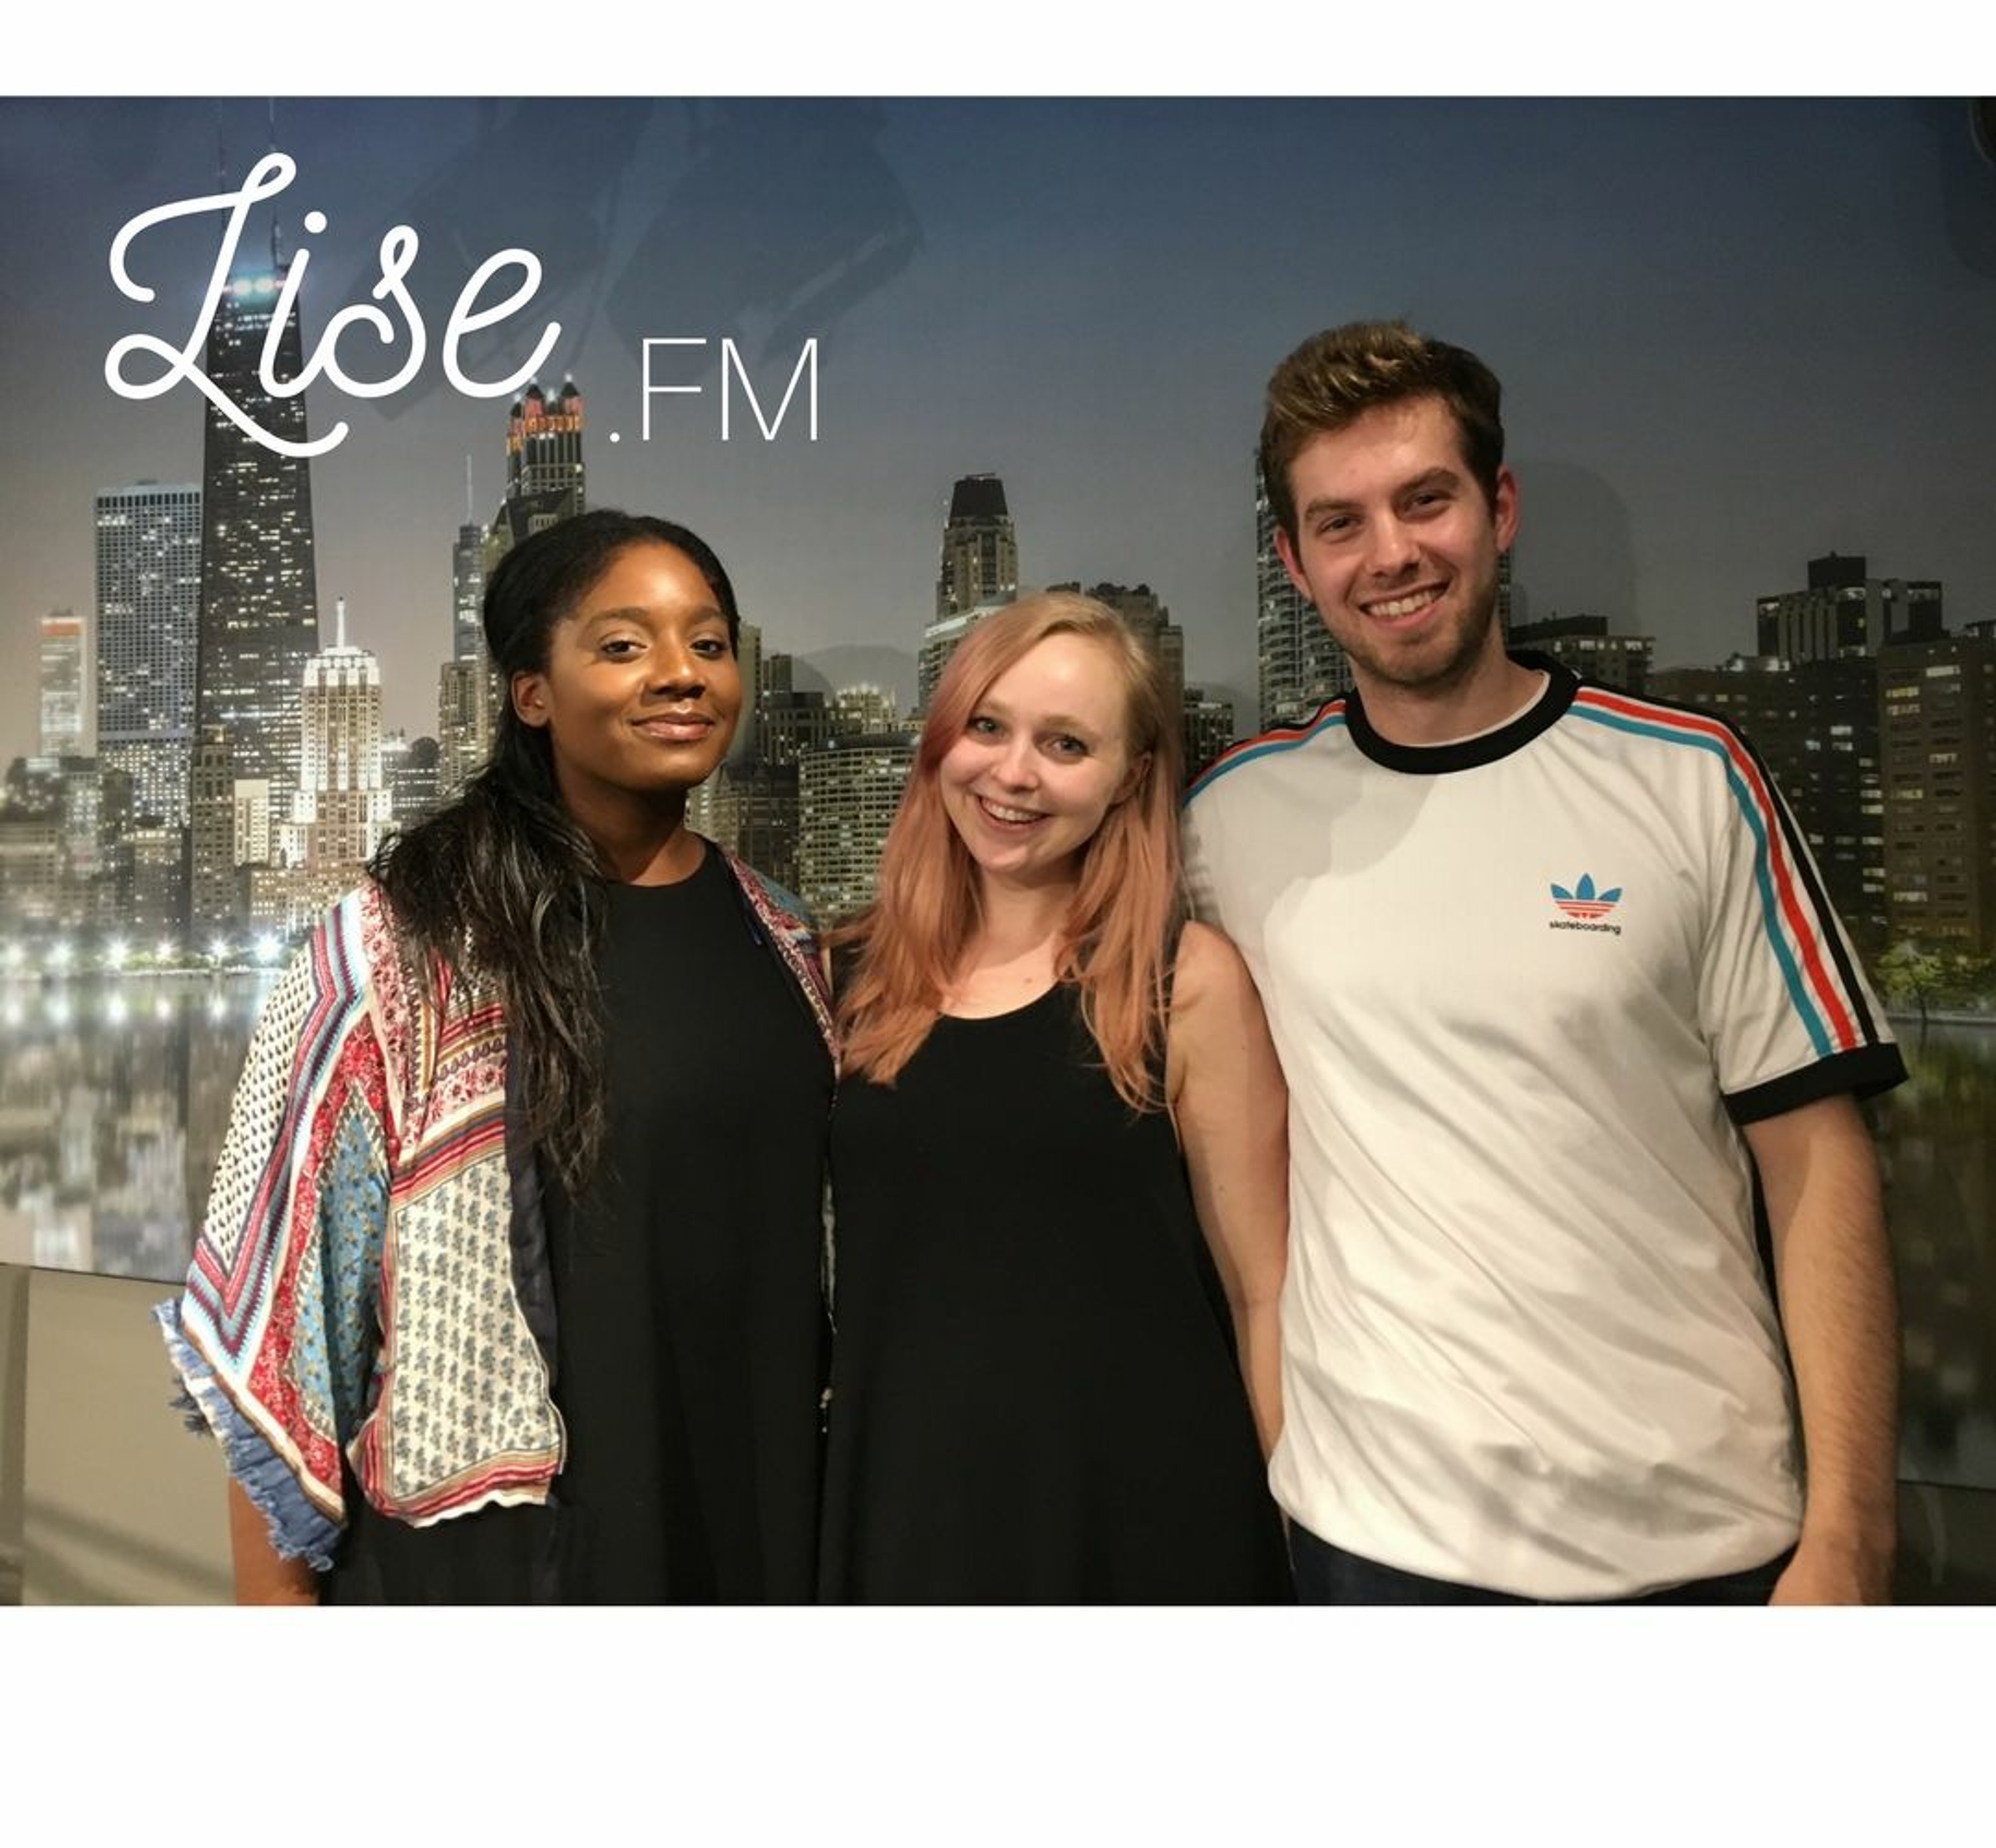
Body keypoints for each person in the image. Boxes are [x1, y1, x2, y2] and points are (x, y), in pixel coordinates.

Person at [1182, 321, 1906, 1605]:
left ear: (1498, 508)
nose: (1391, 554)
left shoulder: (1692, 781)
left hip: (1701, 1546)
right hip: (1371, 1551)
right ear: (1293, 562)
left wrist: (1851, 1534)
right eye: (1340, 523)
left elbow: (1818, 1165)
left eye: (1425, 501)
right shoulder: (1231, 819)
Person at [156, 510, 835, 1604]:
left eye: (708, 643)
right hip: (501, 1565)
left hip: (760, 1526)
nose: (681, 673)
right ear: (532, 693)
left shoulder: (786, 937)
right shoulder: (405, 945)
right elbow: (285, 1317)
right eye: (624, 645)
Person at [817, 592, 1293, 1602]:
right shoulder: (847, 975)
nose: (1014, 772)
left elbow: (1263, 1293)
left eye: (1066, 744)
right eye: (987, 726)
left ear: (1132, 778)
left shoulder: (1183, 982)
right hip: (910, 1503)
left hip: (1150, 1517)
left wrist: (1296, 1532)